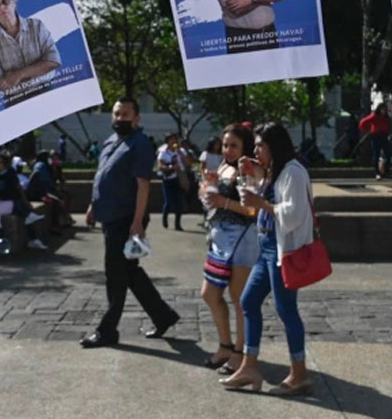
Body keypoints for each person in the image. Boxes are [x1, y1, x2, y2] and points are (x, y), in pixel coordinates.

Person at [221, 122, 313, 396]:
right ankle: (249, 366)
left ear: (275, 146)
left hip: (282, 251)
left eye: (260, 145)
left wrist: (259, 202)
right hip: (266, 248)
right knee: (248, 301)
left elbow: (293, 213)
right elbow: (271, 196)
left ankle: (300, 373)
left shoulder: (293, 172)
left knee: (287, 310)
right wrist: (258, 177)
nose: (256, 150)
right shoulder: (276, 171)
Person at [80, 98, 180, 348]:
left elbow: (143, 185)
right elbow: (101, 175)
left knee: (115, 275)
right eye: (116, 113)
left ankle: (107, 330)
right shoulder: (111, 142)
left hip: (125, 218)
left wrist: (137, 221)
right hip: (109, 214)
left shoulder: (140, 144)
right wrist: (93, 205)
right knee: (130, 272)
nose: (120, 118)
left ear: (137, 118)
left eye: (125, 114)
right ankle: (163, 316)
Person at [199, 124, 260, 374]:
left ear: (245, 146)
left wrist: (222, 200)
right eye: (225, 145)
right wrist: (209, 187)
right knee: (210, 293)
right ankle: (225, 344)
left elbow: (252, 209)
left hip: (242, 239)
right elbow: (211, 201)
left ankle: (239, 352)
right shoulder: (222, 167)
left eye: (234, 145)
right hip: (220, 238)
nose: (228, 150)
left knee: (239, 300)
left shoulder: (249, 169)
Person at [0, 0, 61, 106]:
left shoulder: (36, 26)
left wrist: (17, 75)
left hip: (47, 91)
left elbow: (53, 62)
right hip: (15, 99)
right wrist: (38, 68)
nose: (2, 7)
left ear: (14, 3)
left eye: (5, 2)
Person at [157, 134, 186, 230]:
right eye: (171, 140)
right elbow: (160, 165)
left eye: (175, 140)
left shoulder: (179, 151)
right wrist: (171, 167)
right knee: (169, 201)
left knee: (179, 202)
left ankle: (177, 224)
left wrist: (180, 153)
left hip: (178, 178)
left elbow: (188, 162)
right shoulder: (164, 152)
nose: (174, 142)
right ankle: (165, 217)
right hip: (168, 179)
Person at [358, 103, 392, 178]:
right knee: (376, 154)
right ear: (379, 109)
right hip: (376, 136)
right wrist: (367, 130)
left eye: (385, 109)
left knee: (388, 154)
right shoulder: (374, 116)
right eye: (382, 109)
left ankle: (386, 171)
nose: (384, 111)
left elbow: (389, 126)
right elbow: (362, 122)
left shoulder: (386, 118)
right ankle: (377, 172)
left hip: (384, 136)